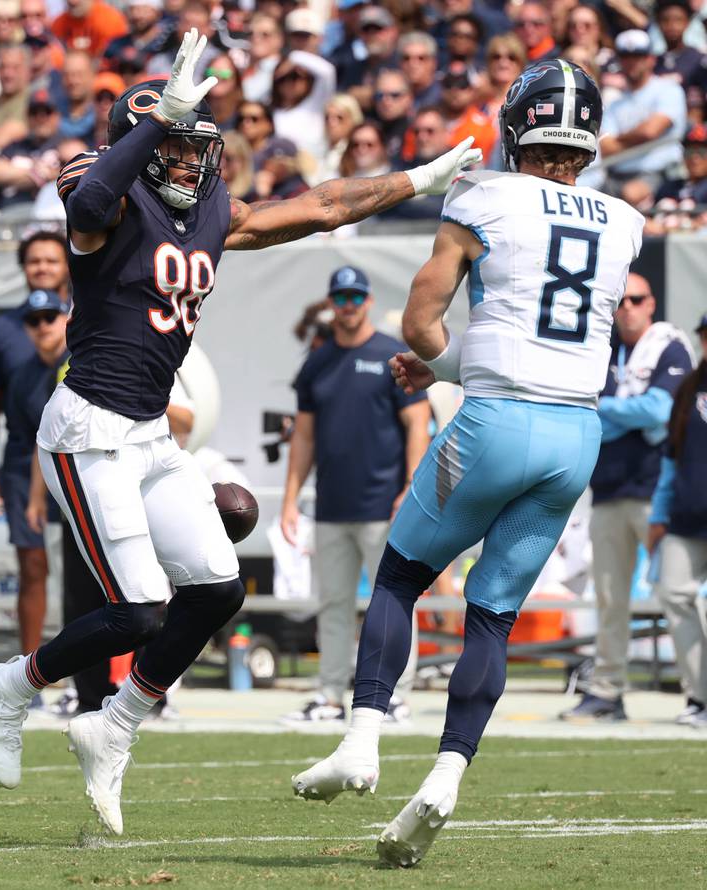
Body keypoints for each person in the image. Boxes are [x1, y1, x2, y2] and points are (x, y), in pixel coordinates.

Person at [0, 27, 480, 838]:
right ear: (137, 147)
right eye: (171, 146)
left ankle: (115, 726)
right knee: (138, 610)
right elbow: (91, 202)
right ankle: (11, 683)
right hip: (84, 429)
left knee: (216, 590)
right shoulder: (103, 196)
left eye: (191, 147)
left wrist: (418, 179)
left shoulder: (209, 207)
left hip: (146, 432)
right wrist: (151, 122)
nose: (187, 161)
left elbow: (321, 207)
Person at [291, 59, 646, 868]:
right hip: (576, 437)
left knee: (399, 578)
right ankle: (449, 775)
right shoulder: (623, 220)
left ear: (516, 124)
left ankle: (361, 738)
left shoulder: (483, 195)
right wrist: (461, 367)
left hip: (497, 422)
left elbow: (420, 324)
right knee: (491, 613)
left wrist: (445, 367)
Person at [280, 266, 431, 726]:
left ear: (367, 301)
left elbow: (417, 425)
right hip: (331, 506)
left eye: (355, 297)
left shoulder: (391, 354)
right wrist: (290, 500)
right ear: (332, 302)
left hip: (384, 504)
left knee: (392, 602)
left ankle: (396, 695)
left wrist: (411, 487)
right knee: (334, 604)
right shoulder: (317, 362)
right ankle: (329, 694)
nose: (348, 305)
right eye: (340, 296)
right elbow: (303, 438)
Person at [561, 274, 694, 722]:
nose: (627, 308)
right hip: (609, 488)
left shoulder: (670, 346)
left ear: (651, 302)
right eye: (619, 301)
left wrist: (607, 409)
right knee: (610, 599)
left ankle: (699, 695)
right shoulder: (601, 350)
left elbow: (660, 412)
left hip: (657, 491)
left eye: (636, 299)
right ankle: (606, 692)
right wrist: (626, 414)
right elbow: (585, 410)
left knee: (678, 595)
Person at [0, 230, 69, 658]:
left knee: (90, 568)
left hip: (78, 458)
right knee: (32, 567)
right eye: (35, 261)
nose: (43, 268)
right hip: (18, 458)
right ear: (23, 268)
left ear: (66, 265)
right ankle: (28, 673)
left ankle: (89, 672)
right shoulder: (2, 330)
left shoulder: (91, 315)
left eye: (52, 260)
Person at [648, 312, 707, 727]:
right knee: (673, 594)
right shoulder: (688, 389)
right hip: (685, 517)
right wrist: (658, 513)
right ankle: (700, 697)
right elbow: (670, 460)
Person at [600, 29, 688, 203]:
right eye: (626, 57)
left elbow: (650, 131)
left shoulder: (669, 89)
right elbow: (604, 147)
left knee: (630, 194)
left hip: (661, 174)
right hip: (615, 175)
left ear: (651, 59)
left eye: (638, 56)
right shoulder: (614, 102)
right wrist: (638, 135)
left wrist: (619, 140)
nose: (632, 62)